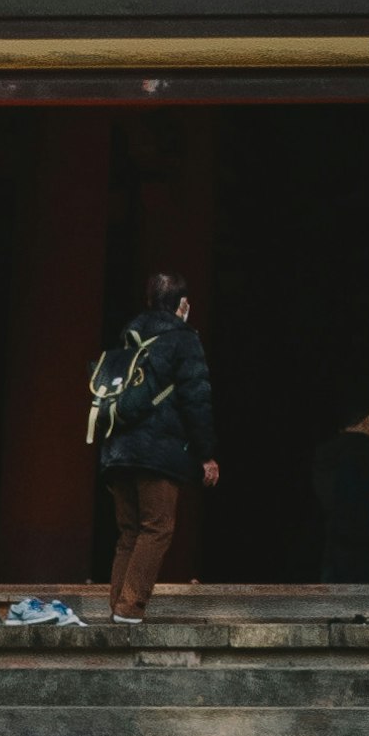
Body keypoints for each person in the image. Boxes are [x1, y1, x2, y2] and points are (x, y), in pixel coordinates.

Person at [90, 265, 216, 621]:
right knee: (157, 527)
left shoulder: (128, 336)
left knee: (130, 531)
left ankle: (118, 609)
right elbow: (197, 398)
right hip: (156, 452)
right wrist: (206, 454)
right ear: (183, 304)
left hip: (118, 450)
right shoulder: (184, 338)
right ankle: (130, 608)